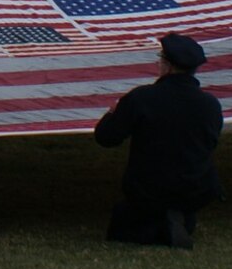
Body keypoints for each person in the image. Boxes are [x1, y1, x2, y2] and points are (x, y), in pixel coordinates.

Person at [93, 32, 223, 249]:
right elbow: (211, 143)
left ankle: (160, 226)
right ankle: (174, 222)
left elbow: (106, 138)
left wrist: (113, 114)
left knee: (128, 224)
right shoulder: (210, 104)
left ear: (168, 66)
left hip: (147, 190)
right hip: (194, 188)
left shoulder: (142, 98)